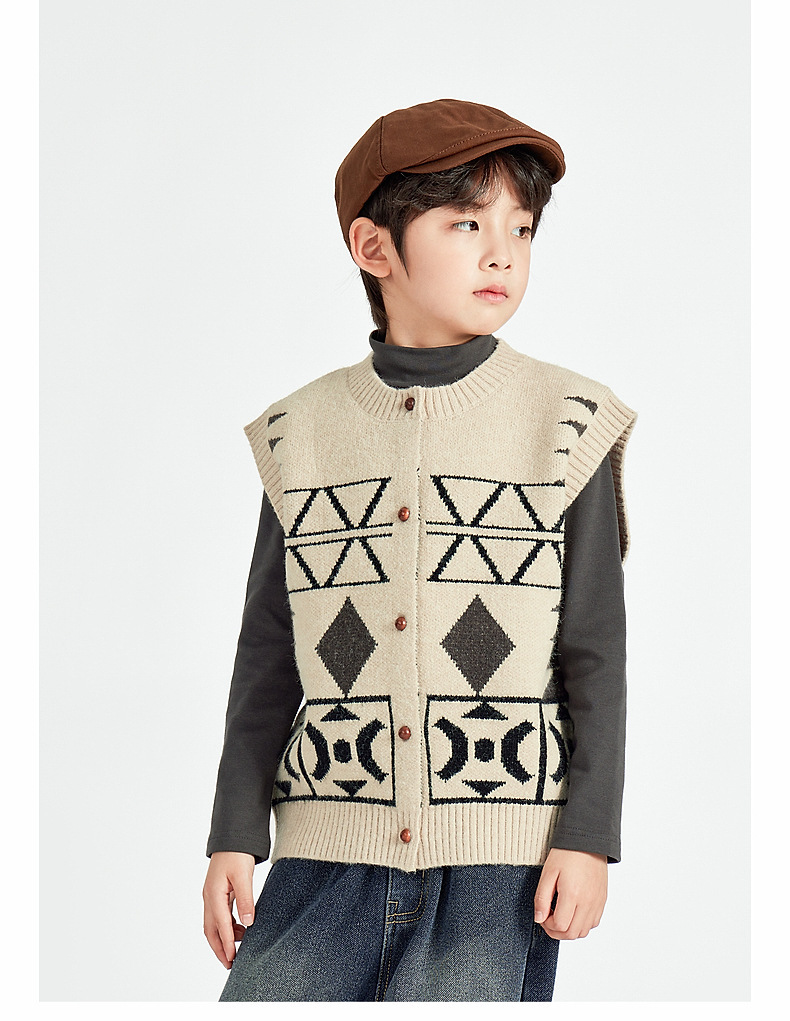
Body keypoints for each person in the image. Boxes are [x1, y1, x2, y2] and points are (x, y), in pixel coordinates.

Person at [201, 98, 637, 1002]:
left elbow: (594, 648)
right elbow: (268, 649)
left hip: (497, 867)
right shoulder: (299, 434)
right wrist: (234, 830)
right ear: (375, 247)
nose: (502, 253)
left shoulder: (567, 424)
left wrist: (588, 835)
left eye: (522, 227)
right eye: (467, 222)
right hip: (323, 849)